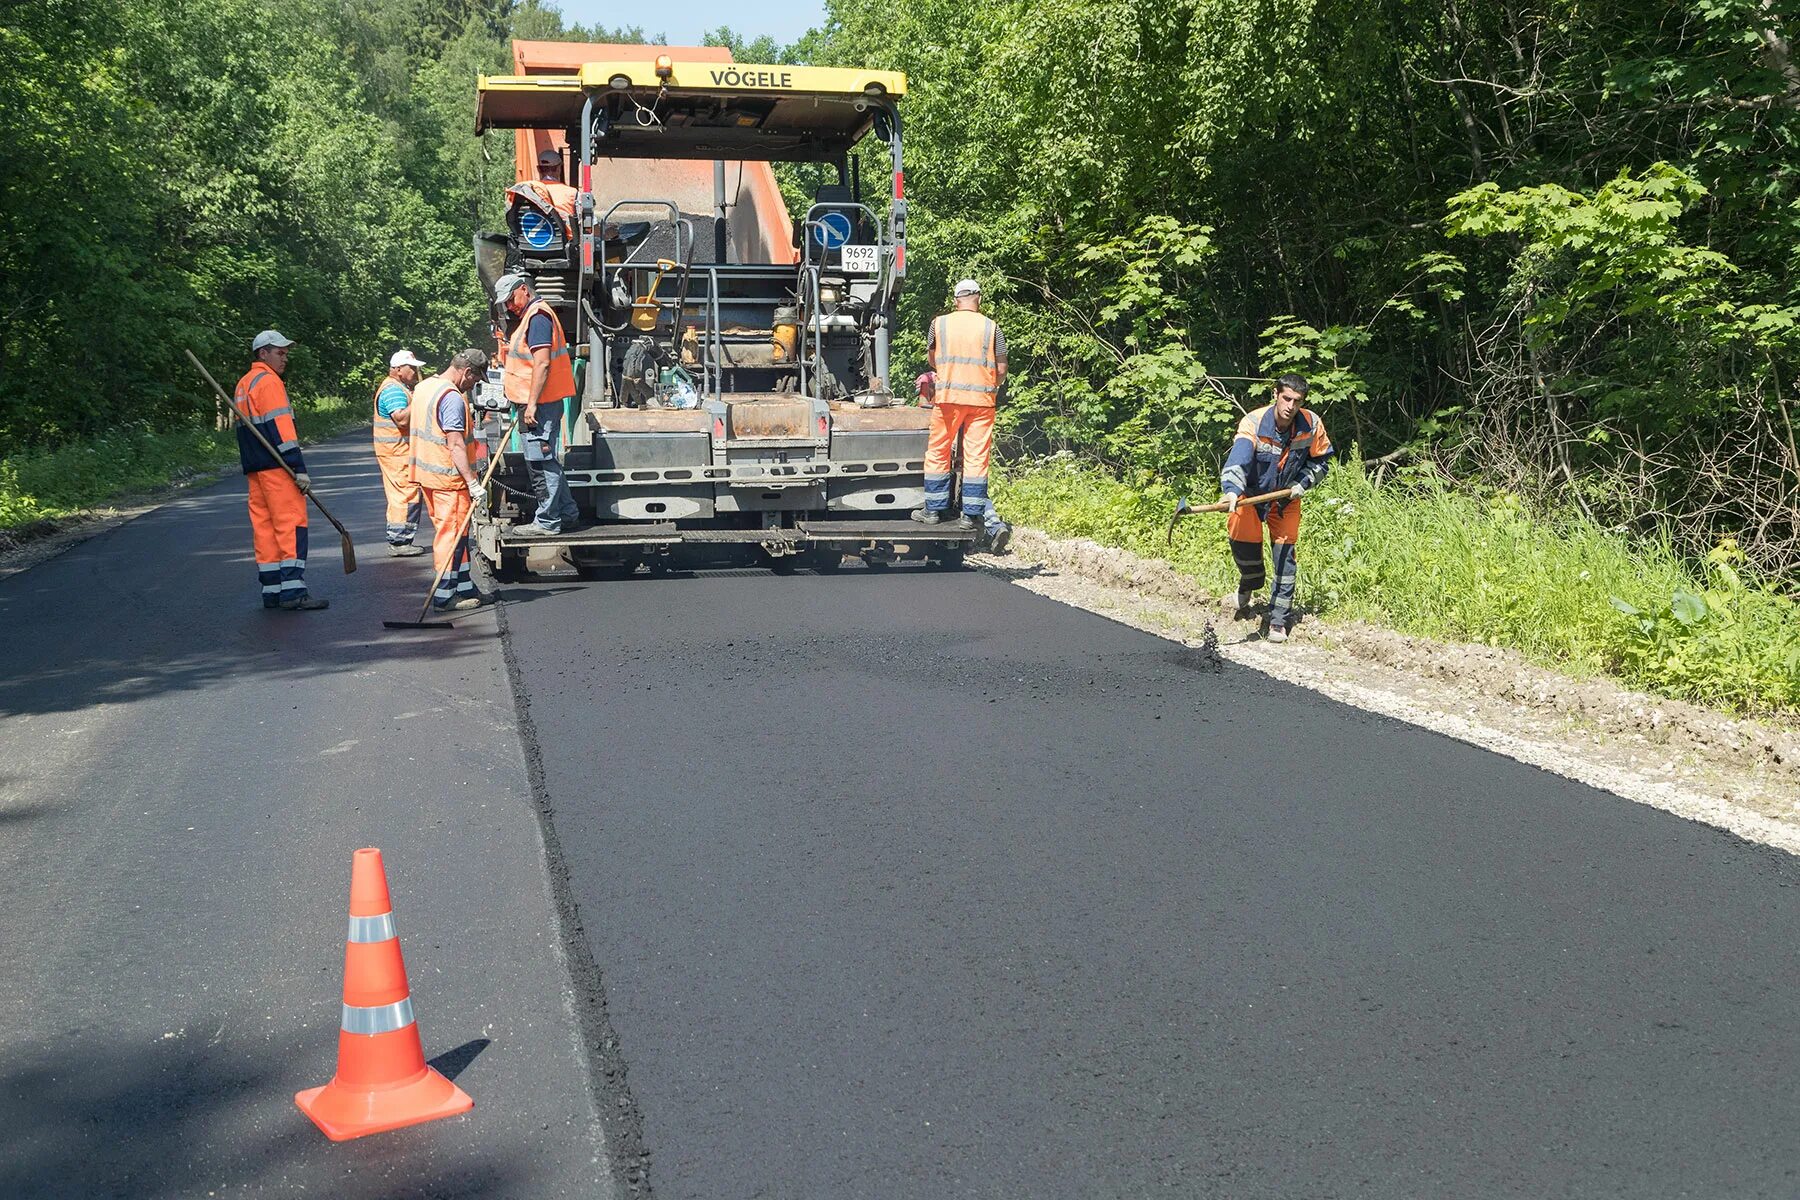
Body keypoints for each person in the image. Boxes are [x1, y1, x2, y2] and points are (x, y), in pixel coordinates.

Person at [1219, 374, 1333, 643]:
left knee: (1285, 556)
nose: (1291, 406)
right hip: (1251, 495)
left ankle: (1278, 620)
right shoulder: (1254, 422)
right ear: (1275, 394)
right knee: (1243, 542)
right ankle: (1249, 583)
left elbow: (1322, 462)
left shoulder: (1312, 424)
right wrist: (1232, 491)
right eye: (1286, 398)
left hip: (1286, 500)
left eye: (1297, 401)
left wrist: (1301, 483)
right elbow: (1240, 458)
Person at [912, 279, 1011, 553]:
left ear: (956, 299)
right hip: (982, 401)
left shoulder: (939, 324)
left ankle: (933, 511)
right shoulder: (992, 328)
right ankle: (971, 516)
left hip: (948, 400)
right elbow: (1001, 367)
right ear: (978, 298)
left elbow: (933, 359)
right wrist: (991, 383)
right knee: (976, 457)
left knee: (939, 451)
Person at [234, 330, 326, 611]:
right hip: (278, 468)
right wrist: (298, 468)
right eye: (280, 353)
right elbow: (283, 431)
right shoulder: (269, 383)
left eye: (286, 353)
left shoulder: (244, 384)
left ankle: (272, 590)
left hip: (255, 470)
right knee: (291, 525)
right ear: (263, 353)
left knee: (265, 529)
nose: (285, 358)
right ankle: (294, 591)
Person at [493, 272, 582, 536]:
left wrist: (531, 405)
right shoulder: (532, 317)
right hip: (535, 403)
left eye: (511, 300)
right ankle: (566, 513)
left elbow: (542, 363)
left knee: (541, 463)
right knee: (545, 459)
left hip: (539, 405)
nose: (510, 306)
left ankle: (547, 522)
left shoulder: (538, 317)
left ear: (524, 290)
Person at [409, 349, 492, 612]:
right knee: (452, 537)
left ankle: (464, 585)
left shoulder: (425, 387)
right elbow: (455, 443)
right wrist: (472, 482)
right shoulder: (452, 398)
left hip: (428, 477)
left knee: (459, 533)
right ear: (467, 372)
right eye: (476, 380)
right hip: (449, 480)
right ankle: (445, 595)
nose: (475, 385)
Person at [374, 349, 428, 556]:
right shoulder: (393, 390)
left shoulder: (398, 387)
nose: (415, 372)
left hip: (398, 451)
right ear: (397, 369)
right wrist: (420, 399)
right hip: (396, 452)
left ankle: (401, 539)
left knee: (407, 495)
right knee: (404, 496)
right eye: (411, 368)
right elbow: (402, 419)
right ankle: (399, 542)